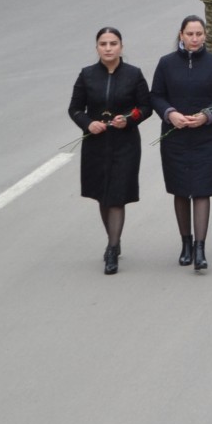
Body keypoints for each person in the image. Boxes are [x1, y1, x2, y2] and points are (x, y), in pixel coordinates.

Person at [150, 15, 212, 272]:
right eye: (190, 34)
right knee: (180, 190)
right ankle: (185, 243)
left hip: (206, 138)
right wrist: (170, 114)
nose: (194, 39)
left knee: (201, 190)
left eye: (199, 34)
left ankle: (200, 247)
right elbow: (156, 96)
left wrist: (206, 116)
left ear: (206, 36)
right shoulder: (166, 64)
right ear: (181, 35)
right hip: (175, 136)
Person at [67, 26, 153, 274]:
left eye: (113, 43)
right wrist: (88, 124)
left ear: (121, 47)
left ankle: (112, 248)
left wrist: (128, 119)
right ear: (97, 48)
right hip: (95, 145)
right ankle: (113, 239)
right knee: (103, 195)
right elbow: (75, 109)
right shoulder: (87, 75)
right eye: (103, 44)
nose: (108, 48)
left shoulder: (133, 75)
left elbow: (145, 107)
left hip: (125, 144)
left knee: (116, 195)